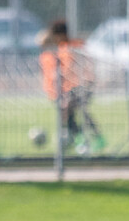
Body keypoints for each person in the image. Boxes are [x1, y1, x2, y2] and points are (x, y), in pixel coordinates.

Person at [39, 18, 103, 154]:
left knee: (74, 111)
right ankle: (78, 140)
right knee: (70, 113)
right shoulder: (66, 48)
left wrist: (60, 76)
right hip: (72, 87)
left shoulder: (71, 47)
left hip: (80, 85)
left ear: (60, 35)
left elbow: (71, 68)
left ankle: (93, 139)